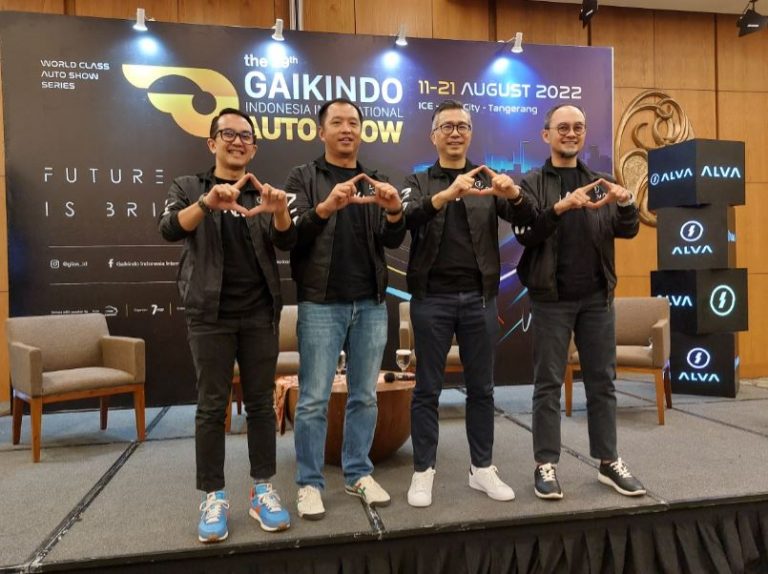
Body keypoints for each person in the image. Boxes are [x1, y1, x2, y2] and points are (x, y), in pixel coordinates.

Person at [159, 108, 296, 543]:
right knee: (211, 407)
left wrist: (279, 211)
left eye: (245, 136)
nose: (238, 141)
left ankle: (262, 489)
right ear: (212, 142)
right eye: (229, 134)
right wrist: (206, 204)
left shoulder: (263, 192)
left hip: (259, 313)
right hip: (209, 314)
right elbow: (168, 228)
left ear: (253, 148)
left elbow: (286, 240)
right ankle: (213, 495)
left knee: (260, 405)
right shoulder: (188, 187)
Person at [401, 99, 533, 507]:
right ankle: (423, 470)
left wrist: (515, 195)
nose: (455, 132)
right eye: (447, 126)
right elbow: (404, 219)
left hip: (479, 299)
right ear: (433, 136)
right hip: (431, 299)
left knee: (482, 389)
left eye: (462, 126)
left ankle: (482, 468)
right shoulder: (419, 181)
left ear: (471, 133)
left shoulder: (487, 180)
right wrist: (446, 195)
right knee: (427, 389)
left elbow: (528, 218)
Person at [515, 104, 646, 500]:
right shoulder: (532, 183)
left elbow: (627, 230)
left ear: (584, 133)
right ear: (546, 134)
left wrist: (626, 203)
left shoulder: (601, 182)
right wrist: (560, 207)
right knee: (548, 385)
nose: (570, 133)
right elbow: (526, 233)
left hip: (597, 299)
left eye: (578, 127)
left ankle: (608, 461)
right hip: (551, 299)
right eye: (562, 127)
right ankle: (545, 464)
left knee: (602, 382)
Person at [286, 97, 406, 519]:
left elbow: (392, 240)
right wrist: (326, 207)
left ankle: (358, 472)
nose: (346, 129)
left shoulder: (376, 181)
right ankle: (309, 482)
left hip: (370, 302)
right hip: (321, 302)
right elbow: (291, 235)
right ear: (321, 131)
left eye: (353, 122)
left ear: (361, 131)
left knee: (364, 396)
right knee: (313, 399)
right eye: (336, 122)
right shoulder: (303, 177)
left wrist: (395, 211)